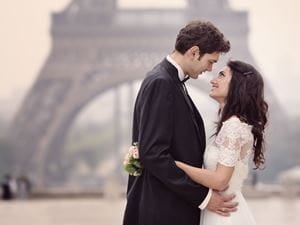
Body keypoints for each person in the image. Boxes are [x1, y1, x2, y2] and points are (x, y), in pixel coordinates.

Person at [123, 20, 237, 225]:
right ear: (194, 52)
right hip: (162, 211)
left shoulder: (171, 81)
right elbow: (153, 154)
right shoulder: (162, 83)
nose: (210, 69)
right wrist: (203, 197)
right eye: (210, 61)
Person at [175, 60, 268, 225]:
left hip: (223, 215)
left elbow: (220, 180)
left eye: (222, 75)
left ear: (238, 85)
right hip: (225, 209)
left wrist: (175, 164)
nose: (213, 80)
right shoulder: (236, 124)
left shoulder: (233, 126)